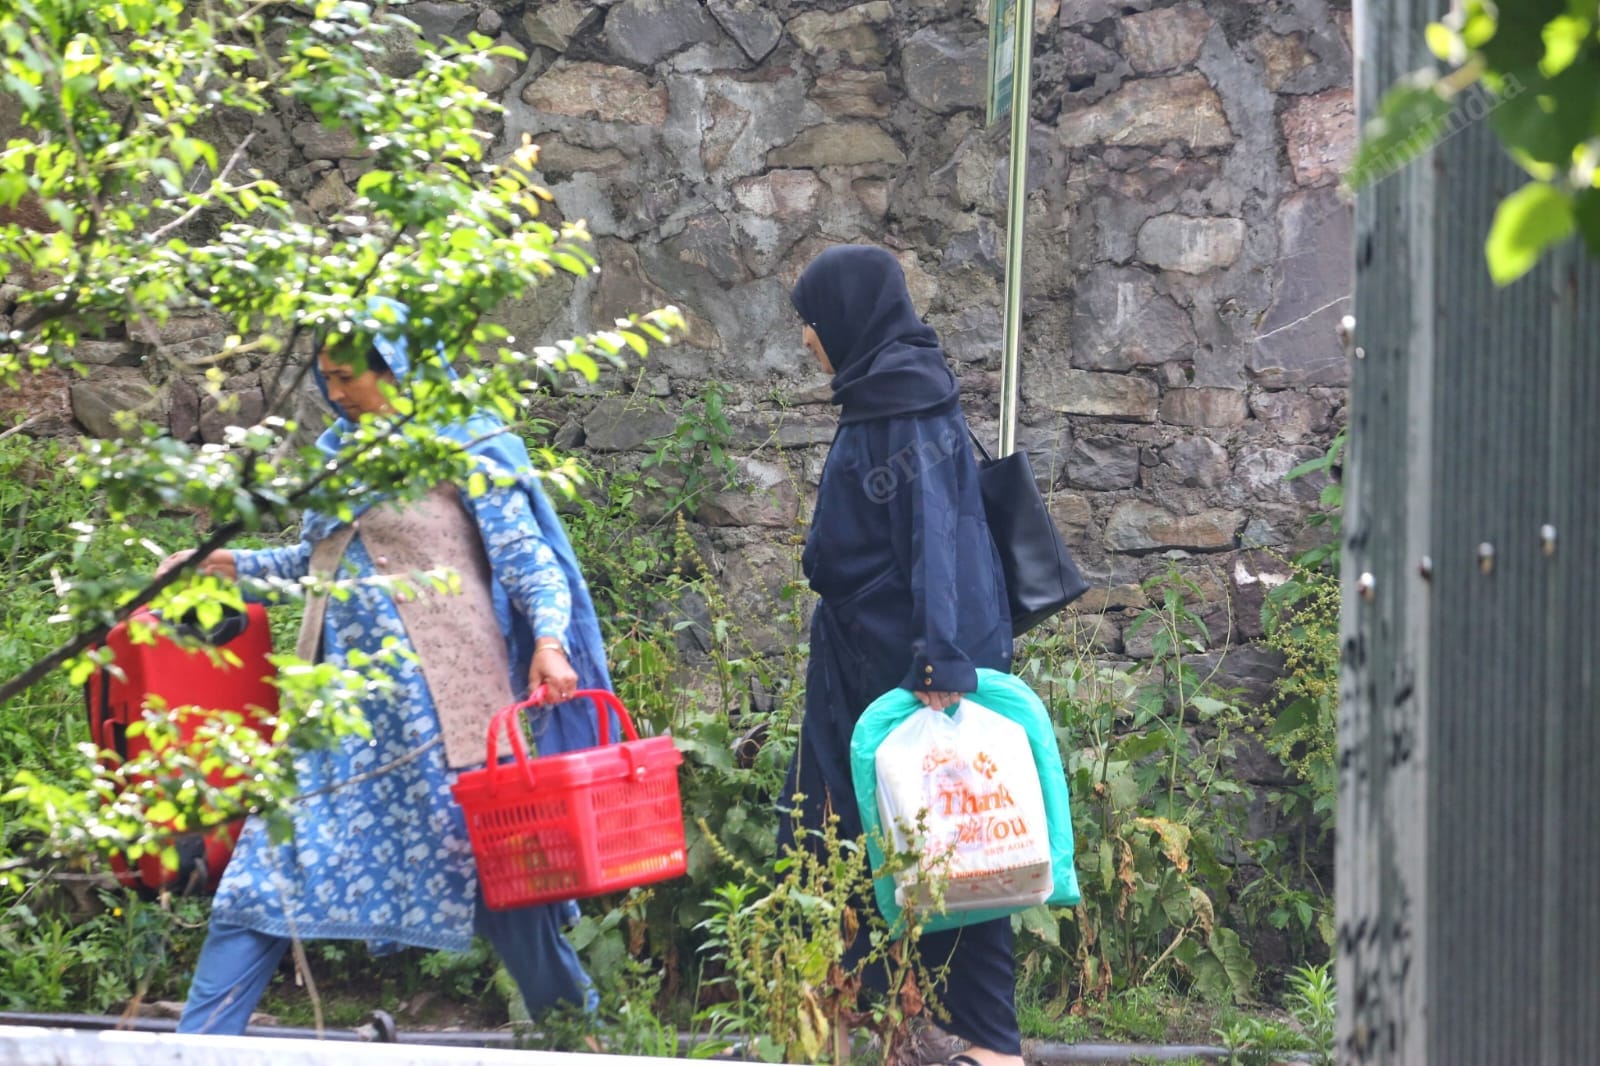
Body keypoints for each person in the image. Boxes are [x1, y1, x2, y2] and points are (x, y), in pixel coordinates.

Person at [160, 299, 610, 1035]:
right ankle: (194, 1050)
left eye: (347, 378)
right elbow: (320, 569)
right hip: (344, 722)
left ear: (398, 366)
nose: (335, 394)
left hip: (448, 721)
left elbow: (528, 562)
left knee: (508, 899)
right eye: (326, 378)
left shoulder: (464, 444)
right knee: (261, 881)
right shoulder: (341, 454)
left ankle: (585, 1038)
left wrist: (550, 642)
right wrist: (223, 565)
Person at [781, 245, 1021, 1066]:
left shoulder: (908, 405)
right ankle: (870, 1032)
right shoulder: (884, 394)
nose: (809, 341)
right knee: (838, 842)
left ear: (848, 318)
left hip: (904, 678)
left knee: (957, 854)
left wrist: (939, 668)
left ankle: (988, 1051)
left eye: (812, 324)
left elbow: (939, 538)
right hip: (859, 672)